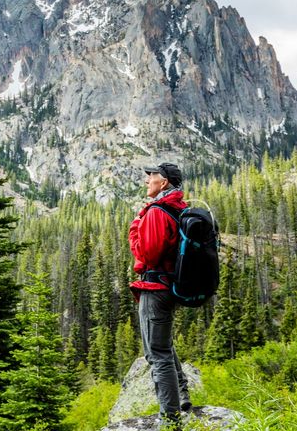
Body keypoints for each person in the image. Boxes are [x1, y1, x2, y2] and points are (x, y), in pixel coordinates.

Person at [128, 162, 192, 428]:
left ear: (163, 182)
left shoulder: (157, 211)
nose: (146, 180)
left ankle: (170, 419)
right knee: (163, 346)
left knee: (157, 354)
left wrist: (134, 229)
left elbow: (149, 255)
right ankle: (183, 395)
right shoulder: (178, 208)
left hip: (156, 289)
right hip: (169, 286)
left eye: (150, 176)